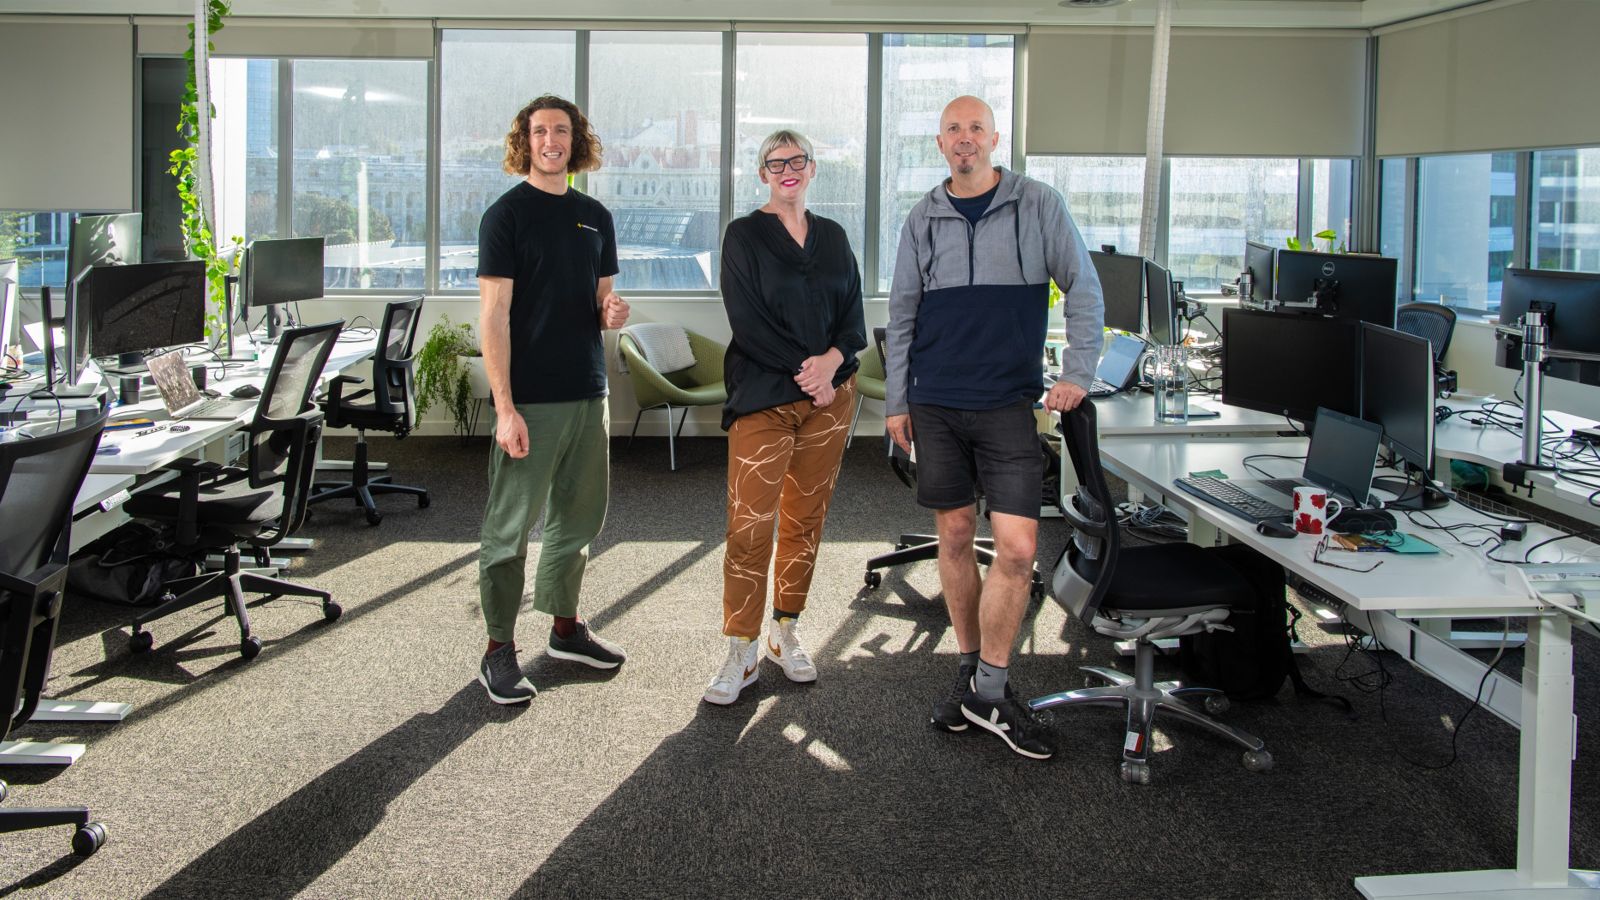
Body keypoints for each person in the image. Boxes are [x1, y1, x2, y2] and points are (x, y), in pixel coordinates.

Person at [884, 95, 1104, 759]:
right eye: (953, 129)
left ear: (994, 138)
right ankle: (975, 675)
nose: (965, 139)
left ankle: (989, 687)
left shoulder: (1039, 205)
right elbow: (901, 315)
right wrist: (897, 402)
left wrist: (1080, 373)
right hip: (937, 403)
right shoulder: (923, 217)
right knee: (953, 534)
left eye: (976, 127)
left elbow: (1085, 290)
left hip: (1008, 403)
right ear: (941, 143)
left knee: (1014, 549)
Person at [474, 95, 631, 705]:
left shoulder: (596, 216)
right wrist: (505, 408)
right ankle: (497, 650)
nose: (550, 141)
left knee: (578, 521)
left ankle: (564, 629)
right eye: (539, 131)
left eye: (561, 131)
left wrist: (612, 312)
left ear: (576, 140)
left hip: (588, 392)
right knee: (509, 529)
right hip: (531, 401)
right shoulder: (505, 216)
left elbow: (602, 304)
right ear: (525, 141)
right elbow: (494, 316)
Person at [703, 129, 867, 705]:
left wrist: (833, 363)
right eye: (777, 163)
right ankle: (740, 648)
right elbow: (747, 323)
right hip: (764, 400)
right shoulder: (743, 236)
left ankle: (786, 631)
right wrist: (810, 373)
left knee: (804, 521)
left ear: (813, 169)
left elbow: (854, 320)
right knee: (749, 528)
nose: (788, 170)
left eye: (797, 161)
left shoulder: (835, 236)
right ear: (763, 174)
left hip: (830, 402)